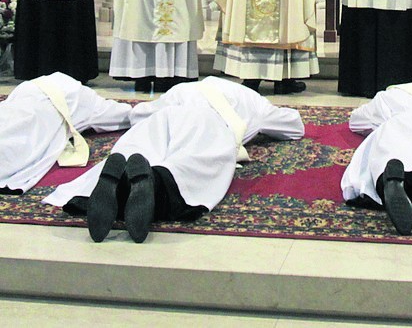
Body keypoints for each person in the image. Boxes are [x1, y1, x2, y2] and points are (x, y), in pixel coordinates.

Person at [43, 77, 304, 243]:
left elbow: (138, 116)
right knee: (191, 167)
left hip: (165, 117)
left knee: (139, 148)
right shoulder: (249, 98)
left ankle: (115, 181)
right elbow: (294, 126)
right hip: (211, 124)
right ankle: (154, 182)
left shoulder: (181, 90)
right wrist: (259, 123)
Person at [0, 72, 131, 194]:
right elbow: (126, 115)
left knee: (14, 130)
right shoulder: (84, 98)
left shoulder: (82, 97)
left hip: (28, 101)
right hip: (34, 105)